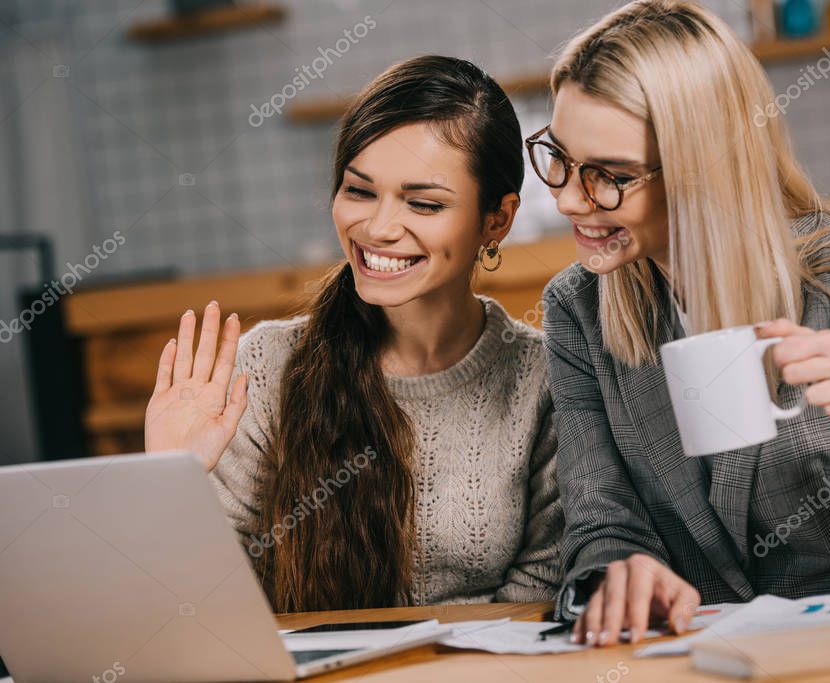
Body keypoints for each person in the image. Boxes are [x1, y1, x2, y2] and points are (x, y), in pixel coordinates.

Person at [531, 0, 830, 646]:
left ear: (700, 168)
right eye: (559, 158)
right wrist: (619, 575)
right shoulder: (580, 308)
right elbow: (603, 525)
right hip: (696, 663)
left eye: (610, 177)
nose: (567, 198)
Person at [144, 55, 562, 612]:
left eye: (424, 203)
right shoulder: (267, 366)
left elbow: (545, 583)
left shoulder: (543, 377)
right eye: (360, 191)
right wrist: (171, 487)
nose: (378, 228)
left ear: (497, 219)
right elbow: (204, 610)